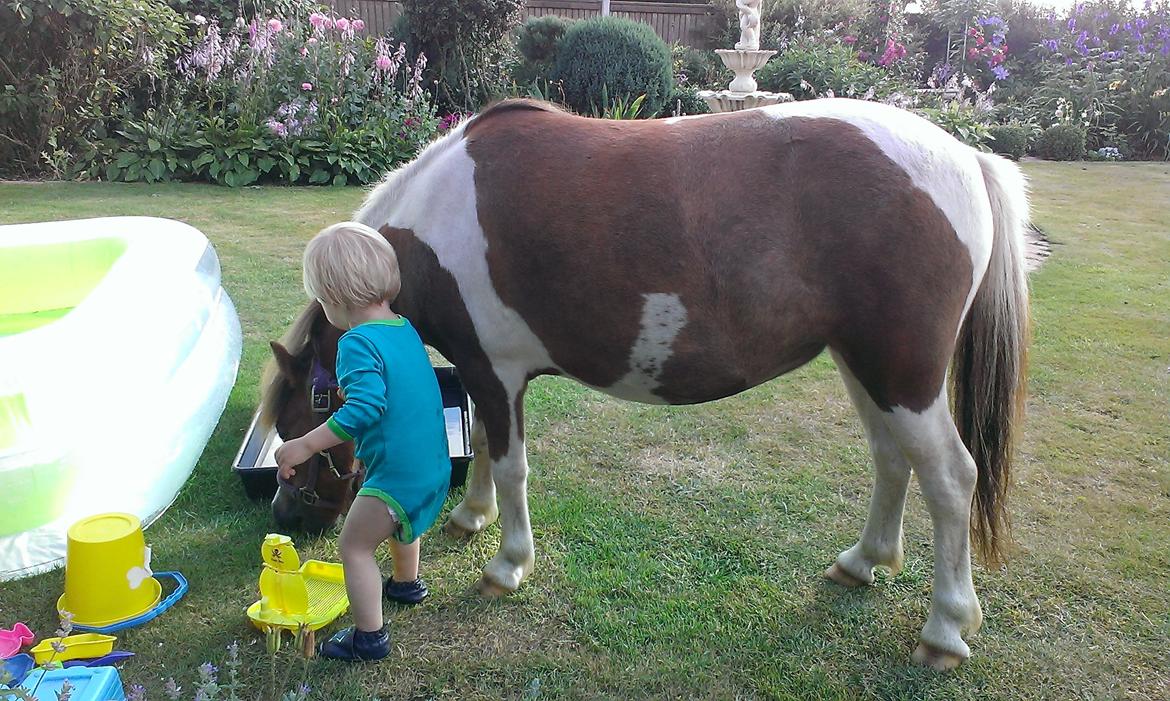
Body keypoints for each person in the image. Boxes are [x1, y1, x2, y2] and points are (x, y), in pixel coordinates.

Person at [274, 221, 450, 661]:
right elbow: (391, 391)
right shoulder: (402, 328)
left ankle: (369, 638)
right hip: (432, 468)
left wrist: (306, 445)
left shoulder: (354, 343)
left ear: (331, 300)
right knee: (399, 522)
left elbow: (365, 410)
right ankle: (406, 584)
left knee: (355, 545)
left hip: (396, 478)